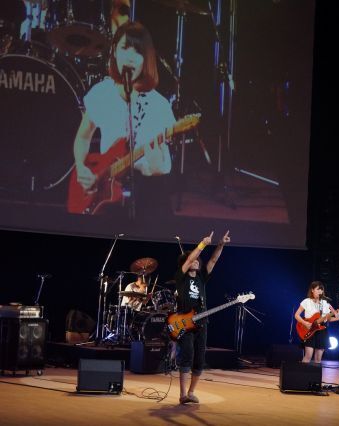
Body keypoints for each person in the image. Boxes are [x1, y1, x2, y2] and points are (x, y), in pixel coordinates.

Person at [71, 21, 175, 218]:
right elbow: (83, 137)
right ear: (114, 52)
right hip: (106, 186)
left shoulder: (159, 105)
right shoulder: (101, 93)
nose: (130, 57)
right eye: (124, 48)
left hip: (146, 190)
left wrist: (156, 168)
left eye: (138, 51)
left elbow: (165, 163)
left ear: (146, 59)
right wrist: (81, 167)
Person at [174, 230, 231, 404]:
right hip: (185, 323)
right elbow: (190, 259)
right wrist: (203, 244)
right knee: (187, 355)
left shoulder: (201, 277)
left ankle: (191, 392)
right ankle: (182, 394)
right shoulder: (181, 277)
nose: (197, 261)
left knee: (199, 358)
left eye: (198, 260)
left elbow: (213, 260)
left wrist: (220, 244)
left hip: (202, 322)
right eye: (194, 260)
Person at [294, 281, 339, 364]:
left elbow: (328, 319)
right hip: (309, 328)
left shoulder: (325, 303)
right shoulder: (306, 301)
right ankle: (302, 372)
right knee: (308, 355)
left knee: (318, 359)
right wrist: (305, 323)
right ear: (312, 290)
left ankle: (316, 372)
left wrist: (337, 317)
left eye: (321, 290)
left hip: (322, 329)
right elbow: (296, 315)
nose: (320, 291)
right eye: (318, 289)